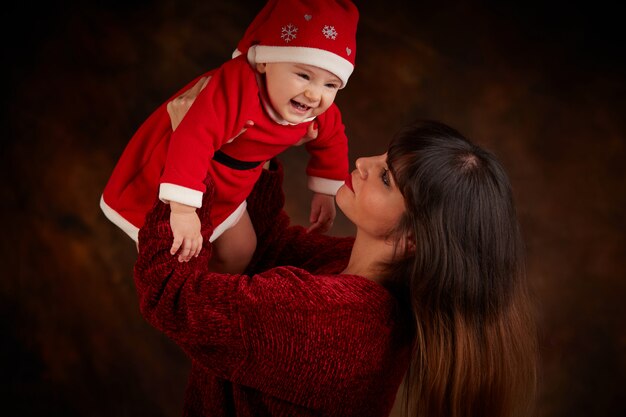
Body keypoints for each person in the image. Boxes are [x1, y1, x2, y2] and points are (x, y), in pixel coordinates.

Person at [133, 89, 538, 416]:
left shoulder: (330, 322)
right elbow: (269, 248)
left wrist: (193, 157)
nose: (361, 161)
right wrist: (256, 141)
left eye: (384, 178)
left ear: (414, 239)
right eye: (382, 156)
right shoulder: (356, 274)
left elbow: (170, 293)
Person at [100, 0, 359, 272]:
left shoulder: (316, 110)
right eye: (303, 75)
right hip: (182, 169)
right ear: (264, 63)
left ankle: (216, 299)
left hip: (234, 183)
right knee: (175, 252)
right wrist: (184, 210)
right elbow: (193, 137)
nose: (314, 94)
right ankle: (182, 283)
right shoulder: (238, 86)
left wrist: (325, 192)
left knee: (240, 251)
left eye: (331, 85)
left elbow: (332, 140)